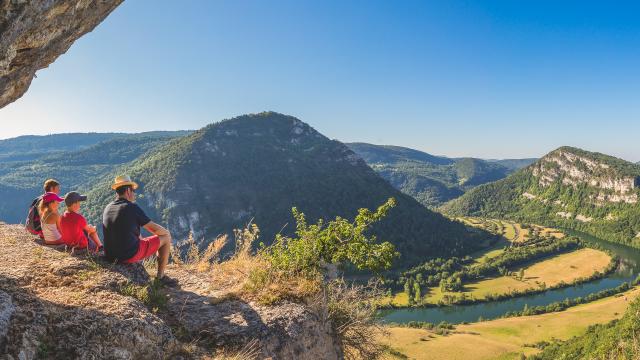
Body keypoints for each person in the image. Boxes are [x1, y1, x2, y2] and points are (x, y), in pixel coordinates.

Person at [102, 175, 176, 285]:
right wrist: (166, 233)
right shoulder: (131, 207)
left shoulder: (108, 207)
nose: (135, 193)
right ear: (128, 191)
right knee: (165, 237)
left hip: (110, 255)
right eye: (133, 190)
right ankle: (160, 277)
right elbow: (153, 229)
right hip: (127, 255)